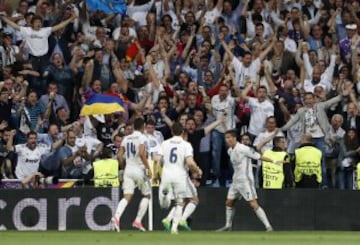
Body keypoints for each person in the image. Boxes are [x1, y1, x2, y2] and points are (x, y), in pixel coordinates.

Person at [217, 130, 275, 232]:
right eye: (226, 138)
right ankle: (228, 226)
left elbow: (258, 156)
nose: (227, 140)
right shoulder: (230, 151)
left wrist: (274, 161)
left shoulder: (244, 149)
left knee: (253, 204)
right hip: (235, 181)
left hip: (245, 180)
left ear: (234, 138)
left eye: (229, 137)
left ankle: (268, 226)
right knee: (229, 202)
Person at [155, 122, 202, 235]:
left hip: (166, 175)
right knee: (179, 202)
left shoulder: (165, 143)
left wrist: (156, 174)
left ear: (172, 132)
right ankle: (174, 229)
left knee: (164, 205)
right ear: (182, 132)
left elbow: (157, 159)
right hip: (180, 176)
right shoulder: (186, 145)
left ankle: (165, 198)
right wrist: (197, 171)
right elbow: (190, 163)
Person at [112, 118, 152, 232]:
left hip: (128, 169)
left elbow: (119, 156)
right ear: (143, 126)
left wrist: (124, 167)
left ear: (134, 126)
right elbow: (141, 153)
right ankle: (138, 221)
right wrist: (148, 168)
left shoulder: (126, 138)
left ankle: (116, 217)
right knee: (147, 195)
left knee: (127, 196)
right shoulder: (142, 137)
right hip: (139, 169)